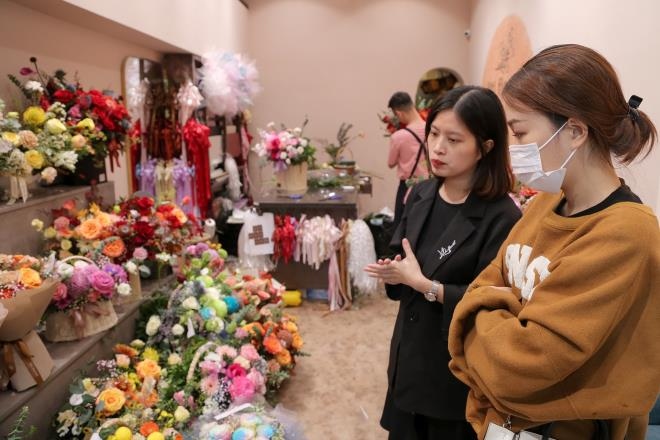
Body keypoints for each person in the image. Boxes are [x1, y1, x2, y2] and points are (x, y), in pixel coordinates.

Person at [448, 44, 660, 440]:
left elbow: (516, 370)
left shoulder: (625, 233)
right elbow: (483, 284)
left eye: (520, 132)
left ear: (575, 131)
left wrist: (482, 314)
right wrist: (502, 315)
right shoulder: (547, 203)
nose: (514, 149)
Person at [366, 86, 521, 440]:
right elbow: (401, 254)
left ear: (486, 147)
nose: (437, 148)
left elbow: (497, 301)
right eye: (434, 133)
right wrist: (393, 273)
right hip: (409, 360)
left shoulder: (502, 217)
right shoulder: (421, 193)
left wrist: (426, 287)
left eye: (453, 139)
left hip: (456, 374)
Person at [387, 91, 430, 228]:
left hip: (407, 186)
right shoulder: (432, 130)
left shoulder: (399, 136)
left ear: (399, 113)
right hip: (429, 186)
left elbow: (391, 163)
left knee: (402, 228)